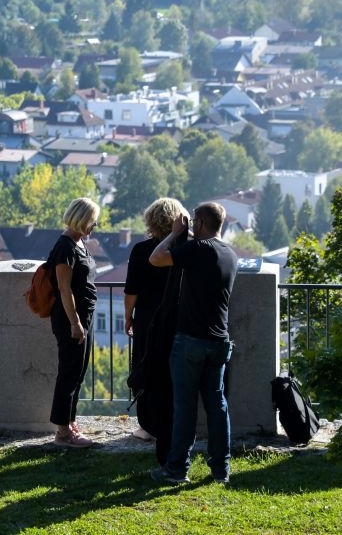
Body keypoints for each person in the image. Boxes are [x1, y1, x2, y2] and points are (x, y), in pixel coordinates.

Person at [148, 202, 238, 484]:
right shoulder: (230, 254)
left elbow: (156, 258)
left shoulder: (198, 249)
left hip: (190, 341)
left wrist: (175, 233)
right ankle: (221, 469)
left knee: (184, 408)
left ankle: (176, 468)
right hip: (219, 341)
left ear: (198, 223)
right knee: (217, 405)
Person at [124, 198, 189, 460]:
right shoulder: (185, 248)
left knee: (145, 367)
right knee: (173, 372)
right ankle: (174, 425)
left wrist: (128, 317)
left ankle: (148, 425)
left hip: (148, 319)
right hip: (177, 317)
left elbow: (132, 290)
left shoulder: (140, 250)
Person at [48, 197, 101, 447]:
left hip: (82, 319)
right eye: (92, 221)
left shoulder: (79, 244)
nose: (94, 225)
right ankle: (62, 432)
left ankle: (69, 422)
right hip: (71, 320)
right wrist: (75, 322)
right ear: (81, 219)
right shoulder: (65, 247)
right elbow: (64, 288)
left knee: (77, 373)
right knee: (69, 374)